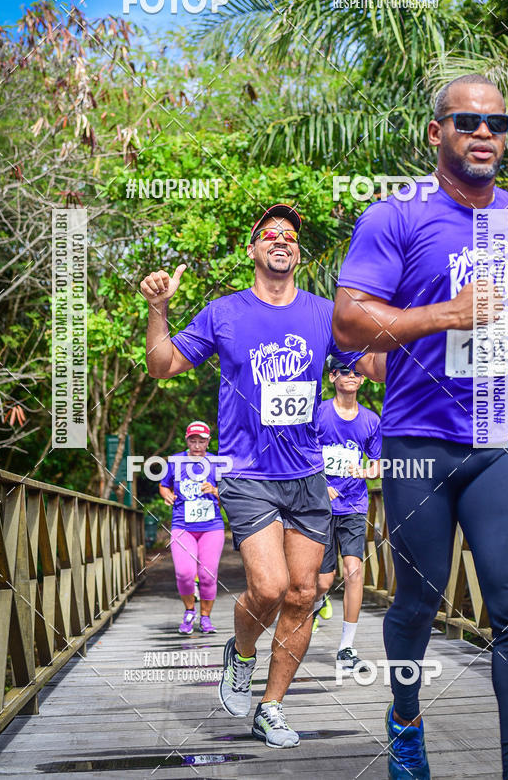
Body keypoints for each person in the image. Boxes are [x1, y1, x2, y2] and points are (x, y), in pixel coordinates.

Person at [332, 75, 508, 780]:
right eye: (467, 121)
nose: (484, 133)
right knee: (418, 599)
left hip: (503, 438)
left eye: (497, 123)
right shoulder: (395, 216)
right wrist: (444, 315)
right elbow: (347, 319)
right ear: (437, 133)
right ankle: (405, 719)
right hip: (417, 441)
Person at [141, 204, 385, 748]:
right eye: (270, 234)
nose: (282, 240)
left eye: (291, 236)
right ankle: (241, 650)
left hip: (307, 475)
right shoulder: (224, 313)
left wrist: (409, 323)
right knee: (269, 587)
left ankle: (271, 707)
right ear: (252, 250)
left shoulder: (325, 313)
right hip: (248, 474)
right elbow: (162, 366)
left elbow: (375, 368)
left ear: (297, 253)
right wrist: (158, 309)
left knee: (303, 594)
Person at [313, 356, 382, 672]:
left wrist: (368, 470)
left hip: (354, 505)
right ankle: (318, 603)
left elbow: (380, 462)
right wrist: (319, 484)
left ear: (364, 379)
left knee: (354, 571)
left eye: (357, 372)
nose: (351, 376)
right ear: (332, 377)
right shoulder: (319, 413)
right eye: (344, 371)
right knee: (323, 582)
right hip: (320, 506)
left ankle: (346, 648)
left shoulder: (370, 421)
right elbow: (301, 453)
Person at [159, 421, 225, 634]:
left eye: (201, 441)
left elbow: (230, 492)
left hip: (211, 527)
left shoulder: (217, 462)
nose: (197, 445)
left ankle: (205, 618)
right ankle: (189, 611)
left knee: (207, 574)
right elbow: (163, 484)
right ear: (186, 440)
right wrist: (166, 494)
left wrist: (215, 490)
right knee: (185, 573)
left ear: (208, 442)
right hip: (182, 526)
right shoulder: (176, 461)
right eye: (192, 440)